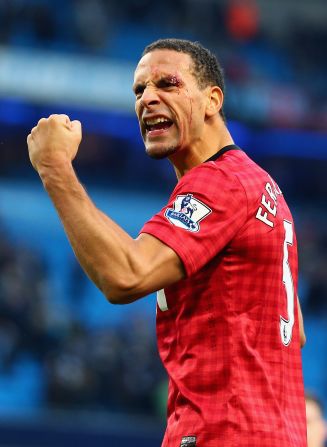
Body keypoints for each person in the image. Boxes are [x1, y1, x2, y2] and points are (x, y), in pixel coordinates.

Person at [27, 38, 307, 446]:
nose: (148, 99)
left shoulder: (219, 182)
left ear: (213, 100)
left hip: (223, 432)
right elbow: (294, 330)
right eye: (139, 90)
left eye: (168, 84)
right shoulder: (263, 189)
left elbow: (125, 275)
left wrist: (55, 168)